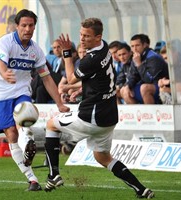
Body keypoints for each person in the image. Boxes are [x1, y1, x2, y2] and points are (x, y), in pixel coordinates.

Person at [43, 18, 155, 199]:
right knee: (102, 157)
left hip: (92, 116)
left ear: (98, 37)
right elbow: (97, 80)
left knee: (51, 125)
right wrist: (83, 89)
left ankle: (53, 175)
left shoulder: (91, 59)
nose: (82, 39)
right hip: (108, 117)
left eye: (86, 36)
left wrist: (66, 53)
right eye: (80, 35)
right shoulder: (104, 47)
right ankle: (141, 189)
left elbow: (70, 77)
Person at [0, 9, 69, 191]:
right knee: (11, 135)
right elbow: (1, 63)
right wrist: (4, 73)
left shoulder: (36, 50)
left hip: (21, 89)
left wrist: (60, 104)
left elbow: (46, 78)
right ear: (17, 26)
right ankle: (32, 179)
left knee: (25, 118)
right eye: (24, 25)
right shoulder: (5, 42)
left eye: (31, 25)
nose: (28, 28)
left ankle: (29, 142)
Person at [122, 33, 168, 104]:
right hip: (144, 86)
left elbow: (149, 80)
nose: (135, 48)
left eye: (137, 45)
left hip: (160, 86)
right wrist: (128, 85)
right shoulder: (136, 57)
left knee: (144, 88)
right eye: (132, 46)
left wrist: (139, 64)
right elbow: (132, 76)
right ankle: (137, 114)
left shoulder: (153, 57)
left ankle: (150, 114)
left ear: (144, 45)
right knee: (124, 90)